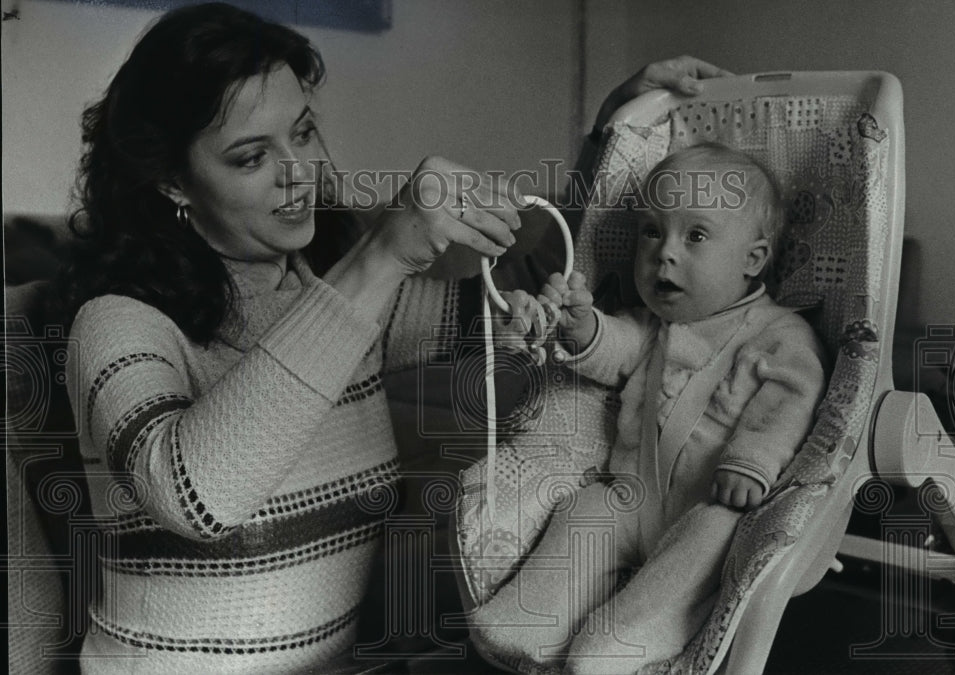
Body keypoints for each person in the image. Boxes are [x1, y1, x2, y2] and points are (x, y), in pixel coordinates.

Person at [55, 2, 730, 671]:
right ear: (173, 180)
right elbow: (197, 497)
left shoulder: (328, 296)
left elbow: (522, 288)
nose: (300, 173)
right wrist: (381, 256)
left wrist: (612, 137)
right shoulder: (116, 321)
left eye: (305, 130)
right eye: (251, 156)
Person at [476, 143, 828, 674]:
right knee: (581, 514)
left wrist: (751, 460)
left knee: (705, 547)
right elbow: (616, 349)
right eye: (651, 231)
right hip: (629, 493)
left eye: (696, 235)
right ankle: (531, 619)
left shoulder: (780, 334)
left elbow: (791, 400)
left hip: (708, 501)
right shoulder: (649, 325)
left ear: (753, 259)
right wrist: (583, 327)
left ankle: (626, 636)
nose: (664, 252)